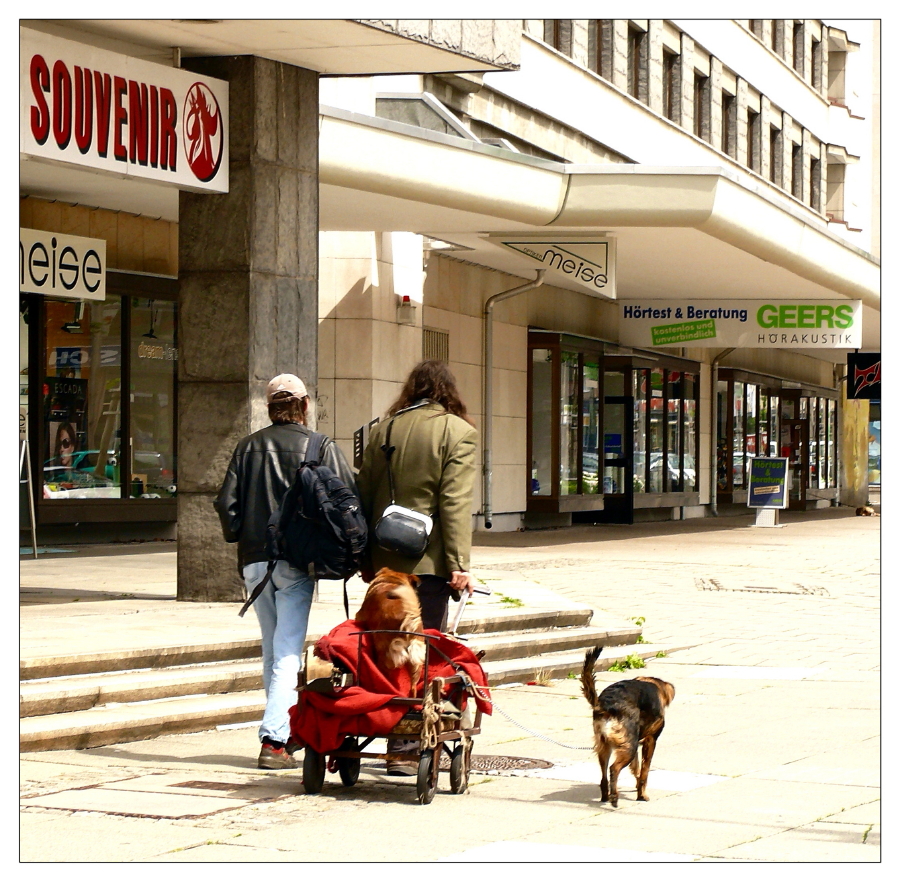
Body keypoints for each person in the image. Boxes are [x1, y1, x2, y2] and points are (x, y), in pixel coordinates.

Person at [215, 374, 357, 770]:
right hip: (296, 560)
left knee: (272, 647)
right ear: (305, 405)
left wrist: (242, 537)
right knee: (287, 651)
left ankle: (281, 728)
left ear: (270, 408)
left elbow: (226, 505)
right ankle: (275, 739)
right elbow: (348, 500)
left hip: (255, 561)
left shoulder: (248, 447)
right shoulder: (320, 446)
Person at [356, 360, 478, 774]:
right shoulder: (458, 433)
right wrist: (460, 565)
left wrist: (365, 558)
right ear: (449, 392)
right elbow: (455, 503)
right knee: (420, 652)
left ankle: (381, 725)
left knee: (382, 650)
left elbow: (364, 493)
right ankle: (408, 748)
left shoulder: (383, 429)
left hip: (384, 565)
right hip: (427, 565)